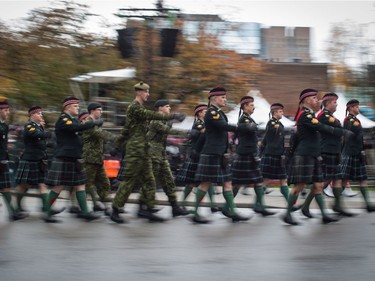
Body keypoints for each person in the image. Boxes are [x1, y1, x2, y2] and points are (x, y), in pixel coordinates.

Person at [109, 81, 185, 224]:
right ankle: (115, 209)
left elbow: (126, 130)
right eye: (146, 92)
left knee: (150, 181)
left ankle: (148, 210)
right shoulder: (134, 107)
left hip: (144, 150)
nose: (148, 94)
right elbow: (151, 115)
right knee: (129, 181)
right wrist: (173, 116)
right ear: (138, 92)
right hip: (135, 150)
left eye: (148, 91)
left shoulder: (139, 109)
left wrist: (117, 145)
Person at [282, 88, 351, 225]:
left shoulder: (310, 115)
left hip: (313, 155)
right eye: (314, 98)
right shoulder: (305, 115)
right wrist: (341, 132)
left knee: (319, 185)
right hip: (305, 154)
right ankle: (287, 214)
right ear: (307, 100)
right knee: (299, 187)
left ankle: (324, 215)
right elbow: (321, 127)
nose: (317, 100)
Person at [191, 86, 252, 224]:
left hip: (219, 153)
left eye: (225, 97)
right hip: (213, 153)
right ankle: (195, 213)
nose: (225, 99)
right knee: (205, 183)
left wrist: (197, 150)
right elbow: (223, 126)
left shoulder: (218, 112)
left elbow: (206, 134)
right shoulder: (212, 113)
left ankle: (232, 211)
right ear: (214, 98)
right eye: (222, 97)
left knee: (227, 183)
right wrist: (243, 127)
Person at [43, 96, 103, 223]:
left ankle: (86, 213)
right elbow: (77, 128)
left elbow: (78, 130)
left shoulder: (72, 120)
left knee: (80, 184)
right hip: (65, 157)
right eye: (75, 106)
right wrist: (92, 121)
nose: (78, 108)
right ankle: (47, 212)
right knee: (58, 186)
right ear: (67, 107)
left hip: (74, 157)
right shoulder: (64, 119)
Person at [139, 99, 189, 218]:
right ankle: (144, 208)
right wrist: (188, 132)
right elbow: (167, 130)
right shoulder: (155, 120)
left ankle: (175, 207)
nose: (169, 108)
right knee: (150, 184)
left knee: (168, 181)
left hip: (161, 154)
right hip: (151, 154)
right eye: (167, 106)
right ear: (160, 108)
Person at [14, 106, 64, 216]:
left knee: (42, 185)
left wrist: (49, 144)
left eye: (41, 113)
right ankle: (16, 207)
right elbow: (36, 135)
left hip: (39, 160)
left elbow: (40, 142)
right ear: (32, 115)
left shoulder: (39, 128)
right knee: (24, 186)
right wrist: (47, 133)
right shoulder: (29, 126)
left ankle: (47, 209)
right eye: (39, 113)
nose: (41, 115)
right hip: (30, 160)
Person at [231, 96, 275, 217]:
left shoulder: (249, 118)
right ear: (245, 107)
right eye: (251, 105)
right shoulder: (243, 119)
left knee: (258, 181)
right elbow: (250, 129)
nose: (253, 107)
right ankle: (227, 206)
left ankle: (259, 206)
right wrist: (257, 127)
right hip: (245, 154)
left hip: (250, 154)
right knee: (238, 183)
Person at [175, 104, 220, 213]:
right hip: (196, 156)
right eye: (205, 112)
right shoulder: (198, 125)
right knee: (191, 182)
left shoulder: (205, 124)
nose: (207, 113)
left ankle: (213, 205)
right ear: (199, 113)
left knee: (207, 180)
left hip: (203, 155)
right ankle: (182, 204)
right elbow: (204, 133)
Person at [316, 93, 354, 216]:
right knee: (322, 182)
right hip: (327, 151)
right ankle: (305, 206)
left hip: (334, 151)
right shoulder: (323, 116)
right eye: (334, 102)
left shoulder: (331, 116)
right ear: (327, 104)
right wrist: (343, 132)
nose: (336, 104)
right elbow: (328, 130)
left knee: (337, 178)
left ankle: (338, 206)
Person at [341, 99, 375, 212]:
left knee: (363, 179)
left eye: (358, 106)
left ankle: (368, 204)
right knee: (344, 180)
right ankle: (337, 204)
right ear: (350, 108)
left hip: (358, 153)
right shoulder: (348, 120)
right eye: (356, 107)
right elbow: (348, 137)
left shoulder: (356, 120)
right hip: (350, 153)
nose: (358, 108)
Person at [81, 103, 113, 214]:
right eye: (99, 110)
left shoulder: (96, 123)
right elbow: (100, 134)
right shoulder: (88, 123)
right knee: (88, 184)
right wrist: (117, 138)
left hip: (98, 159)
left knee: (105, 183)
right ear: (92, 111)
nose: (101, 112)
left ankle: (104, 205)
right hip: (89, 159)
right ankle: (84, 208)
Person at [0, 96, 28, 221]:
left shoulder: (4, 126)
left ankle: (12, 213)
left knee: (6, 187)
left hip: (3, 160)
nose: (8, 112)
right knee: (5, 187)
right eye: (6, 110)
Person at [259, 103, 290, 205]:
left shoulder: (278, 124)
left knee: (283, 179)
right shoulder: (272, 124)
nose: (282, 113)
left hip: (278, 156)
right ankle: (257, 204)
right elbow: (270, 140)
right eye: (280, 111)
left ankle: (290, 203)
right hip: (273, 155)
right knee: (267, 180)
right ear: (275, 112)